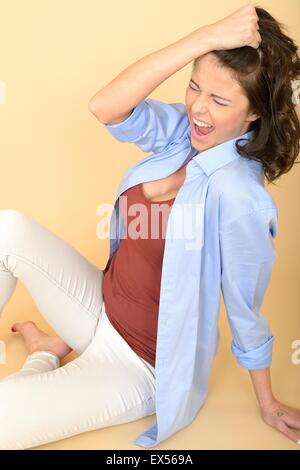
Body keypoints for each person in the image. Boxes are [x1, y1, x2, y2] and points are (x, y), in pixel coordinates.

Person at [0, 4, 299, 450]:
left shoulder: (241, 200)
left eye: (219, 101)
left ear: (254, 113)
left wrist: (269, 402)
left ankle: (44, 354)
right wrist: (202, 39)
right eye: (195, 87)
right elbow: (105, 106)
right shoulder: (183, 131)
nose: (198, 107)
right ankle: (55, 346)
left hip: (141, 366)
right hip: (100, 308)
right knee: (9, 228)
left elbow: (245, 309)